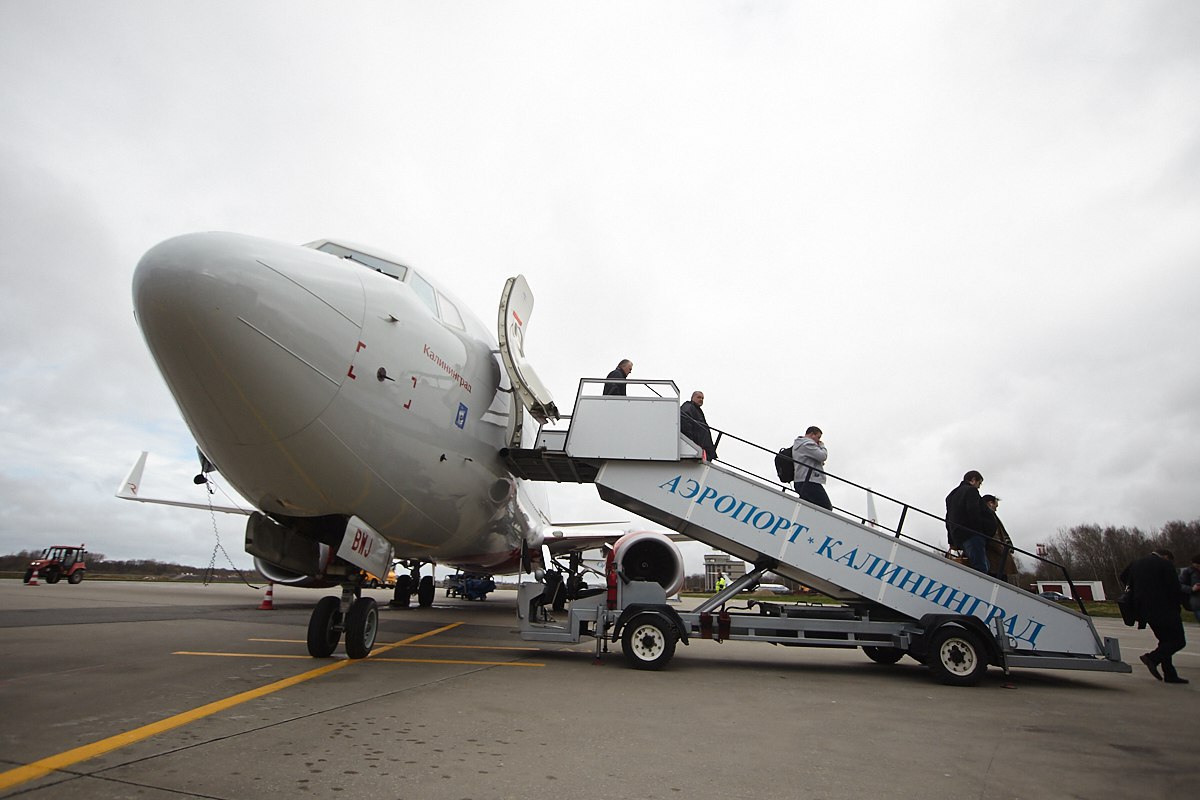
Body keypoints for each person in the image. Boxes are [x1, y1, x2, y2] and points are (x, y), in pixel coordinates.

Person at [1120, 548, 1188, 684]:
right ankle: (1152, 658)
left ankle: (1170, 674)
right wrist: (1183, 604)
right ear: (1166, 557)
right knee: (1178, 641)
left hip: (1143, 609)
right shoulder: (1165, 564)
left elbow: (1123, 576)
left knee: (1165, 640)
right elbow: (1174, 587)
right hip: (1164, 608)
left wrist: (1138, 588)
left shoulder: (1136, 563)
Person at [945, 471, 989, 574]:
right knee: (981, 568)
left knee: (978, 565)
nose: (979, 487)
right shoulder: (971, 491)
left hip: (958, 535)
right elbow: (973, 512)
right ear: (973, 480)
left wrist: (951, 540)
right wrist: (980, 531)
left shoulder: (951, 495)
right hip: (972, 534)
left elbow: (948, 518)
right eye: (979, 483)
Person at [792, 426, 832, 510]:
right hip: (809, 481)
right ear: (811, 434)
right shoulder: (807, 444)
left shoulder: (799, 444)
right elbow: (823, 456)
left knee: (807, 507)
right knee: (826, 507)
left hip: (800, 480)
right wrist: (822, 445)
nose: (819, 440)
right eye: (818, 437)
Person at [981, 495, 1017, 583]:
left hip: (994, 558)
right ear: (990, 503)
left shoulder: (985, 515)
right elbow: (994, 535)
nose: (996, 509)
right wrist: (1003, 550)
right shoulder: (989, 516)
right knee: (1000, 583)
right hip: (996, 559)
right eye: (996, 506)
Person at [680, 390, 718, 460]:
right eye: (699, 397)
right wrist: (691, 443)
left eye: (702, 398)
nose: (701, 399)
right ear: (693, 397)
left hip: (701, 448)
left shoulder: (696, 410)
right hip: (694, 447)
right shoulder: (689, 407)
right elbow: (685, 424)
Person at [1180, 554, 1200, 625]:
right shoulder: (1188, 572)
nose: (1198, 568)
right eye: (1197, 566)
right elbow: (1180, 585)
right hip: (1197, 602)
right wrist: (1191, 589)